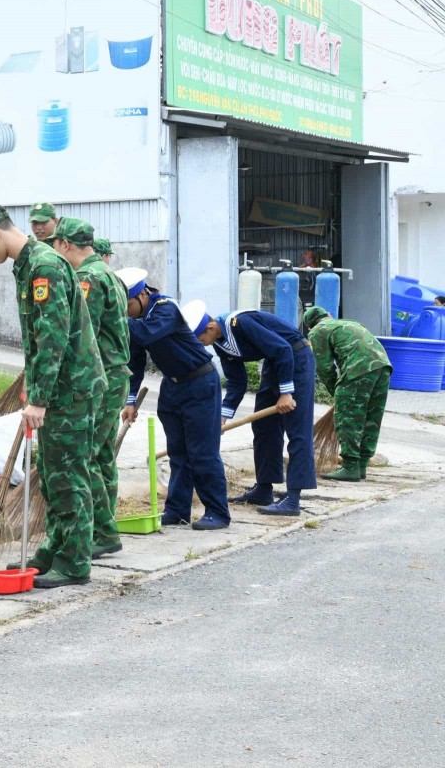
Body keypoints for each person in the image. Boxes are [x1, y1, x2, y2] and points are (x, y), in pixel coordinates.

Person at [0, 203, 105, 589]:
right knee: (53, 474)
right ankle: (56, 548)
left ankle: (75, 561)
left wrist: (39, 398)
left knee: (70, 475)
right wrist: (34, 386)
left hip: (72, 389)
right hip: (59, 387)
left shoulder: (45, 267)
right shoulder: (29, 264)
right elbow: (40, 338)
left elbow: (53, 337)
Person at [116, 272, 230, 530]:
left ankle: (218, 512)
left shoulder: (166, 309)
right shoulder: (137, 317)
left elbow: (144, 335)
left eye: (128, 306)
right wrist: (130, 400)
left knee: (202, 452)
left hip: (200, 382)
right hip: (173, 385)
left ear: (142, 294)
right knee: (178, 452)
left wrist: (111, 317)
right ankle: (178, 510)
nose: (127, 312)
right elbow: (134, 362)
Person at [51, 218, 130, 553]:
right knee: (102, 455)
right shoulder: (108, 273)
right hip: (116, 375)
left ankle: (103, 533)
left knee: (86, 455)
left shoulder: (88, 278)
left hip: (102, 377)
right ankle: (104, 525)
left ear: (66, 245)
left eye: (56, 244)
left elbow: (86, 333)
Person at [194, 309, 317, 517]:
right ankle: (263, 489)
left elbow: (283, 348)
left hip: (296, 357)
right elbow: (237, 382)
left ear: (211, 327)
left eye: (201, 338)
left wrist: (287, 392)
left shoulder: (240, 323)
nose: (203, 344)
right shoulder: (220, 343)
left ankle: (293, 499)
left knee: (297, 430)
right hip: (275, 361)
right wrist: (222, 416)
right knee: (263, 425)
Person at [302, 306, 392, 482]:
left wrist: (335, 393)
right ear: (328, 315)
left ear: (310, 327)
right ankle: (362, 465)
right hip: (383, 367)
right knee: (370, 418)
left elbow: (324, 368)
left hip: (358, 368)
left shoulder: (317, 332)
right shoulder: (349, 322)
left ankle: (350, 467)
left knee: (348, 417)